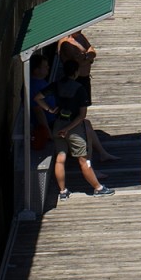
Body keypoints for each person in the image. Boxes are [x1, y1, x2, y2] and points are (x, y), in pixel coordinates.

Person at [34, 59, 114, 200]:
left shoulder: (56, 85)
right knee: (84, 160)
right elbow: (82, 115)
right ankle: (98, 188)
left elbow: (38, 98)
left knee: (60, 158)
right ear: (76, 72)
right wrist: (68, 129)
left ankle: (63, 192)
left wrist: (50, 109)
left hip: (58, 124)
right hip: (74, 128)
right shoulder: (79, 89)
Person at [58, 29, 96, 105]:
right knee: (76, 103)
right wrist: (89, 58)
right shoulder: (66, 42)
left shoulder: (81, 37)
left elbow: (93, 51)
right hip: (75, 78)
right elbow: (77, 61)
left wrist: (86, 56)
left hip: (85, 77)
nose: (80, 30)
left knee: (85, 103)